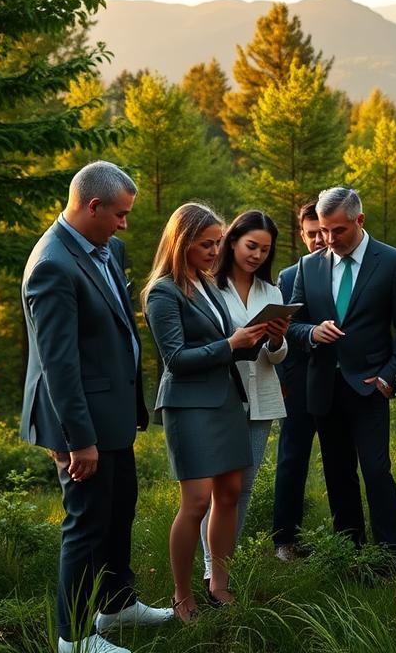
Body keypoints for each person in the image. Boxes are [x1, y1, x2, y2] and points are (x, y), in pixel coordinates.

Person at [21, 161, 172, 653]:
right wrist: (78, 440)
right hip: (80, 422)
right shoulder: (52, 265)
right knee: (85, 525)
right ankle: (74, 637)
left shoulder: (108, 249)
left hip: (112, 414)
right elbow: (58, 365)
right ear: (92, 206)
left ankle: (117, 604)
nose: (125, 224)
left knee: (119, 508)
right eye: (120, 214)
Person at [142, 203, 269, 621]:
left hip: (226, 400)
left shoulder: (208, 284)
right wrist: (231, 345)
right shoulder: (163, 291)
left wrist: (258, 336)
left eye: (218, 242)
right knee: (195, 503)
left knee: (229, 495)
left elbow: (224, 342)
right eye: (206, 244)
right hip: (189, 405)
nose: (217, 251)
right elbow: (176, 358)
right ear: (182, 243)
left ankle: (219, 583)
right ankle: (182, 594)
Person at [288, 187, 396, 554]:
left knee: (377, 472)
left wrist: (388, 377)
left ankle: (391, 557)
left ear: (359, 220)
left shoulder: (392, 262)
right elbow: (291, 324)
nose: (328, 240)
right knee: (338, 473)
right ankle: (351, 552)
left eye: (338, 231)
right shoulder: (308, 265)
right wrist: (312, 332)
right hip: (325, 389)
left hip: (369, 387)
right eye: (323, 231)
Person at [196, 210, 290, 583]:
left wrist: (278, 338)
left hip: (261, 395)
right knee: (215, 486)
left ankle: (225, 566)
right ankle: (209, 567)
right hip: (221, 395)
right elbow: (203, 344)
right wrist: (235, 341)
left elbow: (277, 356)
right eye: (251, 246)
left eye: (265, 250)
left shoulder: (272, 292)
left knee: (243, 486)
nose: (257, 255)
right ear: (232, 241)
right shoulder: (207, 287)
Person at [272, 201, 326, 562]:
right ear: (302, 236)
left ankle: (345, 540)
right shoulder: (290, 277)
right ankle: (284, 540)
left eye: (324, 231)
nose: (320, 240)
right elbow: (281, 330)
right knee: (293, 459)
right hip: (298, 382)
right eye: (312, 235)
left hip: (342, 382)